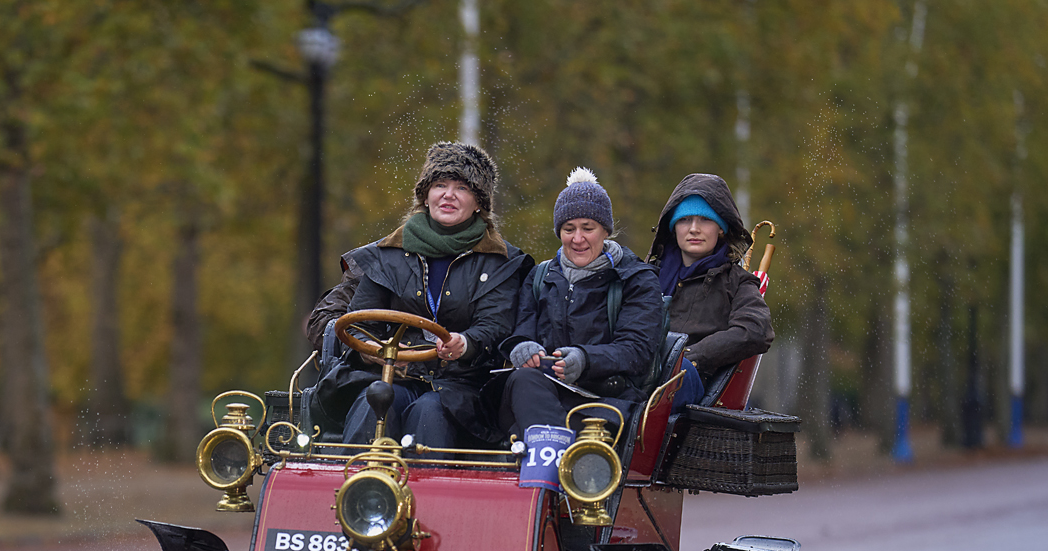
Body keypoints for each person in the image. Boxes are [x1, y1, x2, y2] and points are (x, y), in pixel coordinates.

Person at [311, 141, 531, 449]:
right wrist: (374, 349)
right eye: (440, 184)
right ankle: (358, 489)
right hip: (391, 377)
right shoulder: (386, 254)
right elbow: (361, 323)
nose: (449, 195)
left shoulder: (503, 262)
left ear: (479, 202)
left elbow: (494, 326)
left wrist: (463, 344)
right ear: (425, 195)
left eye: (463, 188)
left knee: (429, 413)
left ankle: (427, 493)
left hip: (460, 387)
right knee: (373, 403)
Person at [498, 168, 663, 444]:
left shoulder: (637, 279)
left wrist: (585, 360)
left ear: (606, 231)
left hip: (607, 404)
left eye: (588, 228)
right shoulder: (538, 277)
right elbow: (519, 330)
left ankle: (557, 464)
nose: (577, 239)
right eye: (568, 229)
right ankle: (560, 459)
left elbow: (638, 350)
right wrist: (521, 347)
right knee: (521, 381)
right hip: (541, 395)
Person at [647, 173, 774, 408]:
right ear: (674, 227)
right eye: (685, 220)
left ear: (721, 228)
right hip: (639, 371)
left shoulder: (737, 283)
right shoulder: (645, 276)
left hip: (690, 385)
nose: (694, 228)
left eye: (705, 220)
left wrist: (689, 358)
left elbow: (757, 330)